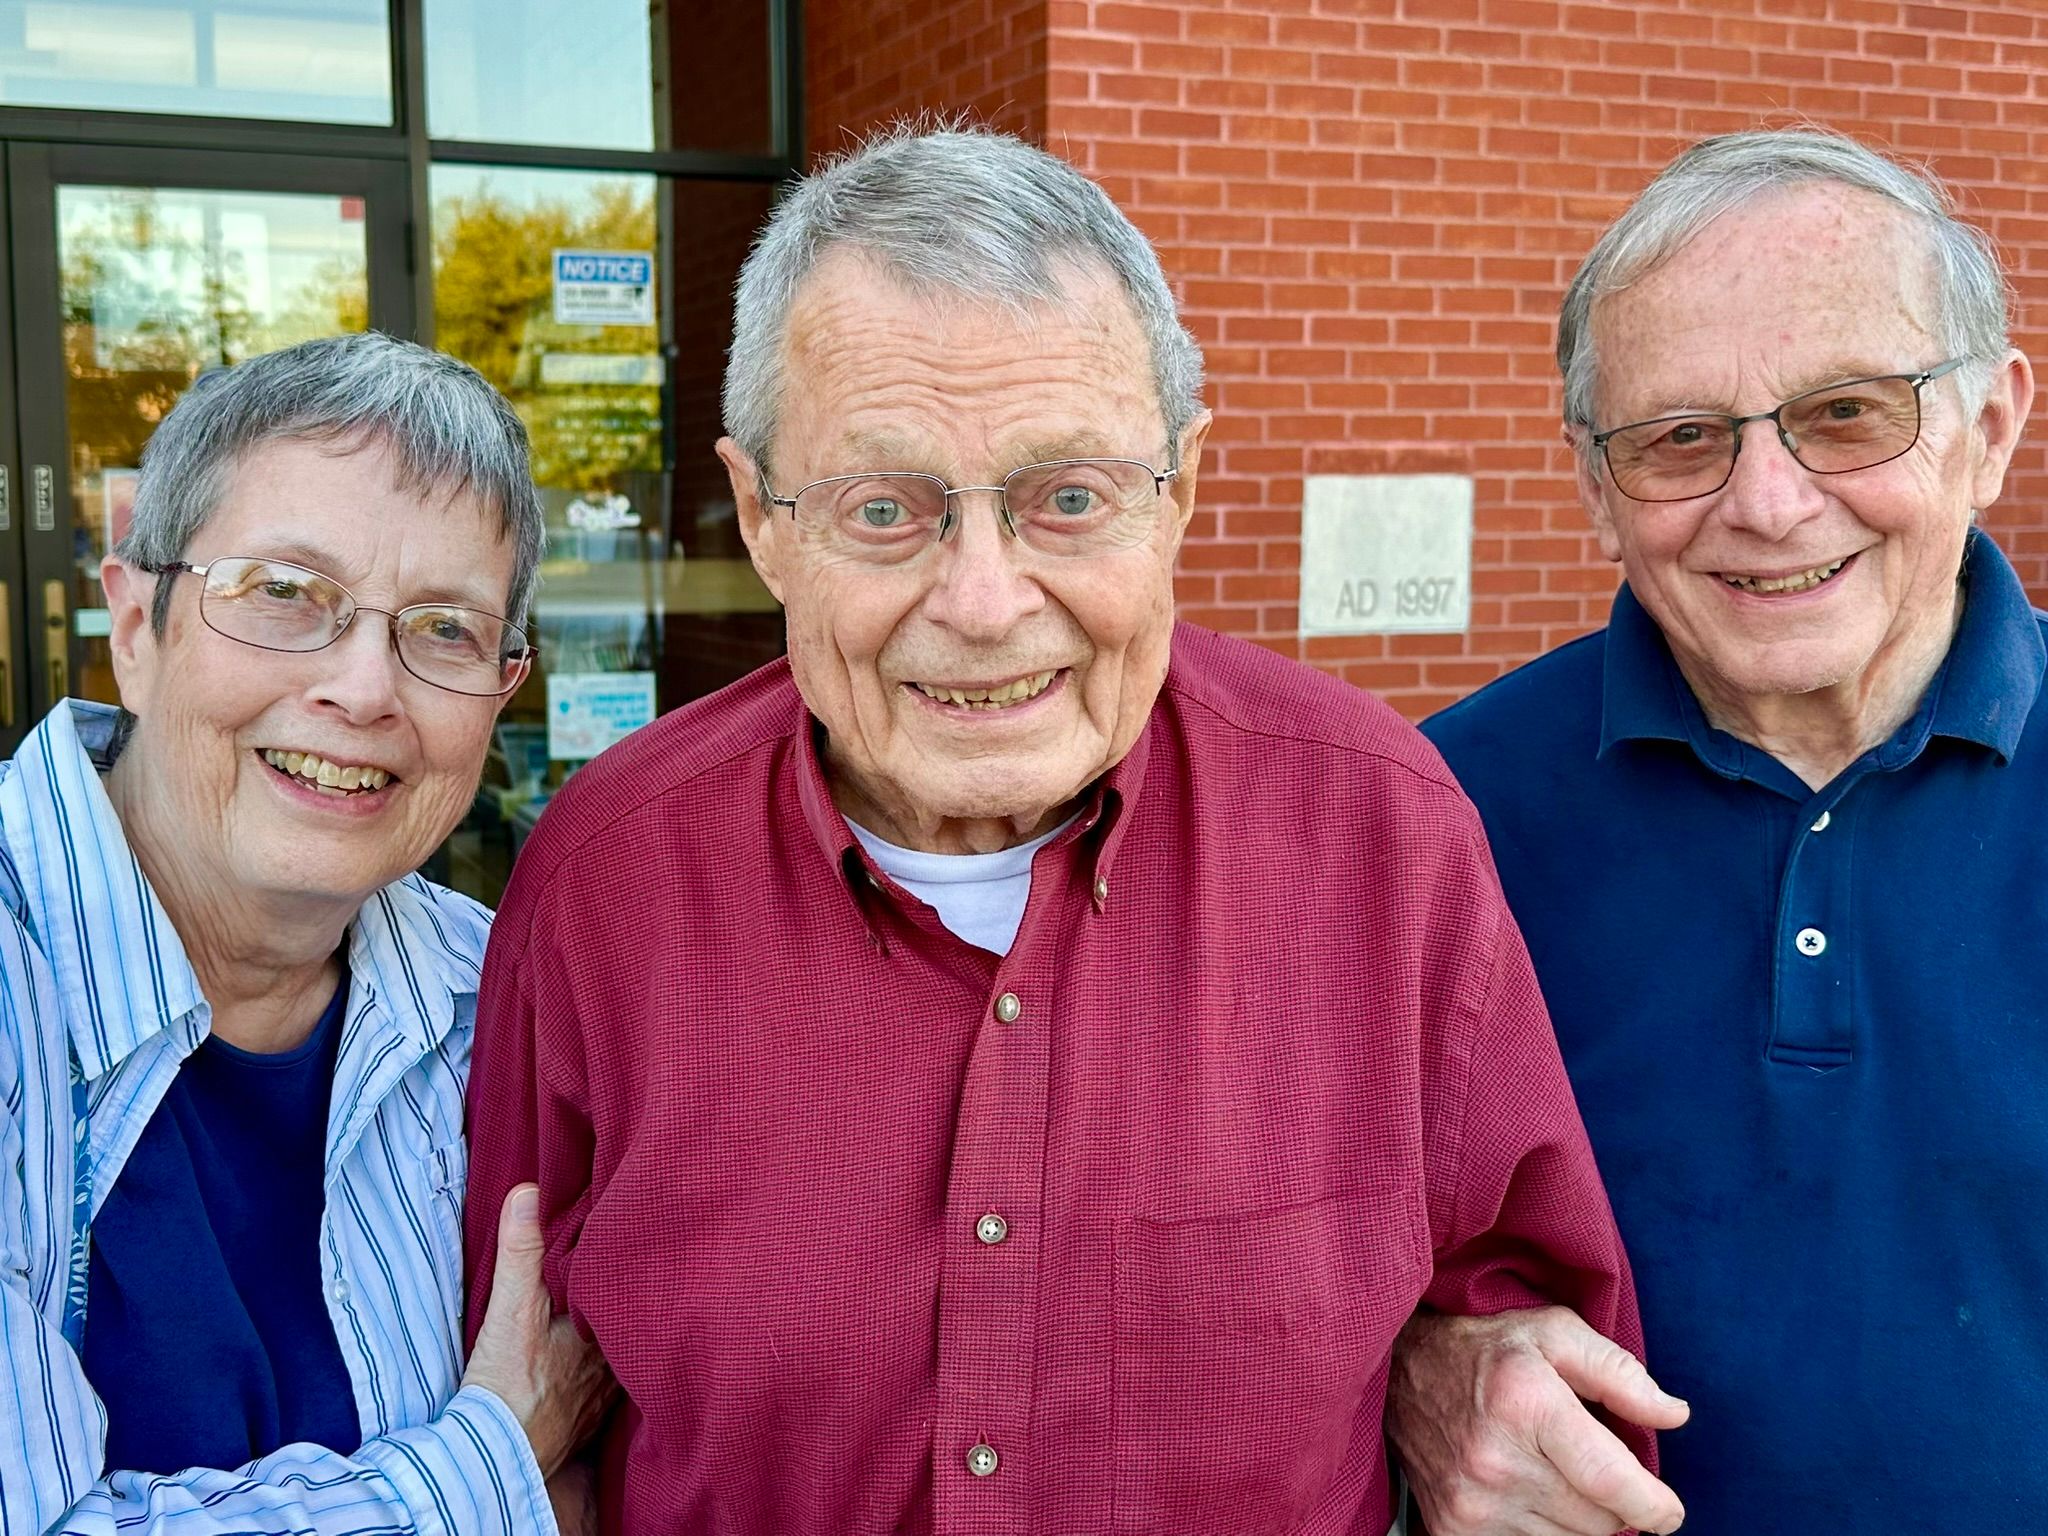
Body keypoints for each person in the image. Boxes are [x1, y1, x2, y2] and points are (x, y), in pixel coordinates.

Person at [461, 126, 1665, 1536]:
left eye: (1069, 499)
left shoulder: (1381, 840)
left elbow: (1533, 1372)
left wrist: (1476, 1381)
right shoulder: (605, 885)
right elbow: (532, 1449)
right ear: (762, 519)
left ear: (1182, 496)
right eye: (886, 509)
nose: (982, 599)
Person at [1414, 127, 2041, 1532]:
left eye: (1848, 413)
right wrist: (1422, 1377)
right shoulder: (1432, 818)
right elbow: (1301, 1260)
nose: (1767, 505)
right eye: (1680, 439)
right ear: (1593, 484)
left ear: (1991, 427)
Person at [0, 333, 609, 1533]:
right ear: (136, 626)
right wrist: (493, 1462)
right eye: (285, 595)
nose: (364, 688)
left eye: (444, 628)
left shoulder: (503, 999)